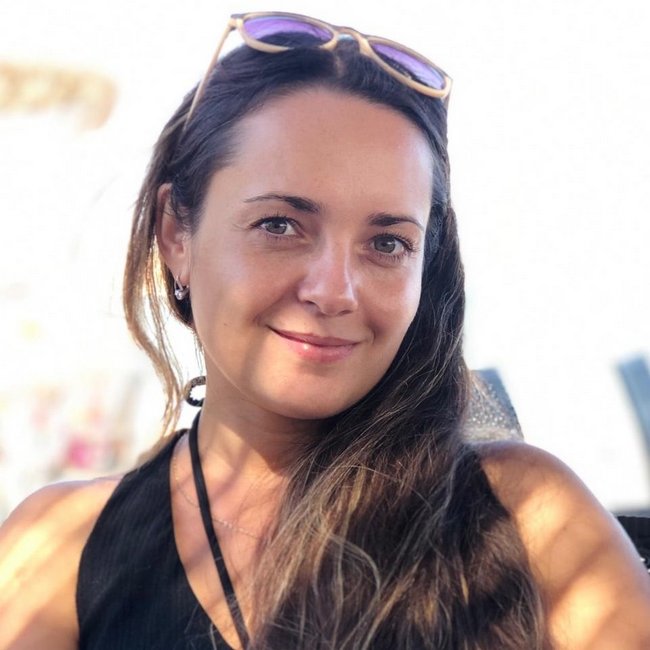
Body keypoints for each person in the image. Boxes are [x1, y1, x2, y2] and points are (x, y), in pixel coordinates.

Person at [1, 11, 649, 650]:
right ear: (176, 234)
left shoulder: (527, 519)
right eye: (280, 225)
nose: (335, 290)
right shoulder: (57, 551)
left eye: (387, 243)